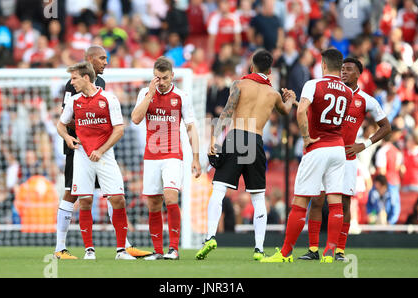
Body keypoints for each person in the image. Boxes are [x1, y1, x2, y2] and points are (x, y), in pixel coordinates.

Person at [195, 49, 297, 261]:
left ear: (251, 66)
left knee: (219, 189)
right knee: (258, 197)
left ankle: (211, 237)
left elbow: (226, 113)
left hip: (236, 136)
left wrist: (214, 139)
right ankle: (259, 249)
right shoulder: (273, 94)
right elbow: (286, 111)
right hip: (256, 140)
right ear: (270, 70)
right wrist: (292, 98)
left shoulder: (239, 85)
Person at [53, 45, 151, 259]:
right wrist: (83, 134)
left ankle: (123, 245)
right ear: (89, 60)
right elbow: (67, 118)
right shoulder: (74, 87)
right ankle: (60, 247)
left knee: (112, 195)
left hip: (101, 151)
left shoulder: (104, 88)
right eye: (101, 58)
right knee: (74, 194)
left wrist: (99, 139)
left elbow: (115, 125)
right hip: (78, 148)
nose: (106, 62)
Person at [261, 48, 354, 263]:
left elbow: (304, 112)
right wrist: (295, 100)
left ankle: (285, 254)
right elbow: (326, 112)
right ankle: (330, 253)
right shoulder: (348, 92)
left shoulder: (313, 84)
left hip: (317, 147)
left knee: (301, 200)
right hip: (338, 149)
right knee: (335, 201)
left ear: (322, 65)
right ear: (340, 68)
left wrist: (305, 137)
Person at [298, 57, 391, 262]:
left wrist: (363, 144)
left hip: (347, 157)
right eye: (342, 69)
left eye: (349, 69)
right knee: (317, 200)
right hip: (325, 152)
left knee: (344, 204)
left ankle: (338, 250)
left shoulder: (366, 100)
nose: (344, 72)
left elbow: (386, 127)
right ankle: (313, 249)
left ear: (359, 74)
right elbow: (310, 110)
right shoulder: (331, 91)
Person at [131, 56, 202, 260]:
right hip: (151, 156)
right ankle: (158, 251)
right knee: (153, 204)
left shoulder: (181, 96)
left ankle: (174, 249)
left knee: (171, 197)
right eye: (156, 78)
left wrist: (195, 158)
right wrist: (150, 94)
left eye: (163, 78)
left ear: (172, 76)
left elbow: (191, 127)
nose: (160, 82)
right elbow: (135, 119)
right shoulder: (145, 93)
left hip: (172, 155)